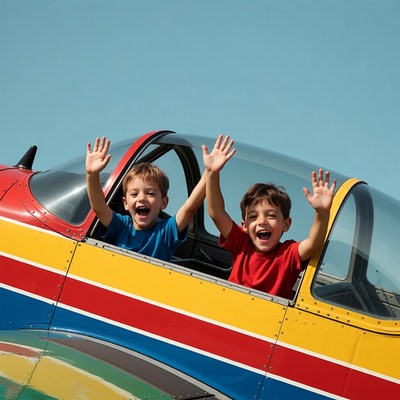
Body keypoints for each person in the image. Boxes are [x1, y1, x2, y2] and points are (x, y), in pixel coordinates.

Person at [202, 137, 336, 299]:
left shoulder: (288, 253)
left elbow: (314, 243)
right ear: (244, 225)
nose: (262, 221)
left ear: (286, 224)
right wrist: (212, 173)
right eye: (253, 216)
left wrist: (321, 213)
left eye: (271, 215)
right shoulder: (241, 243)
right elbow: (216, 213)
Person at [86, 136, 211, 261]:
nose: (142, 198)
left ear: (163, 202)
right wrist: (92, 174)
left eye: (150, 194)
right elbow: (99, 207)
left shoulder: (165, 231)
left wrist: (210, 171)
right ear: (125, 203)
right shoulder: (121, 226)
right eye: (134, 194)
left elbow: (189, 208)